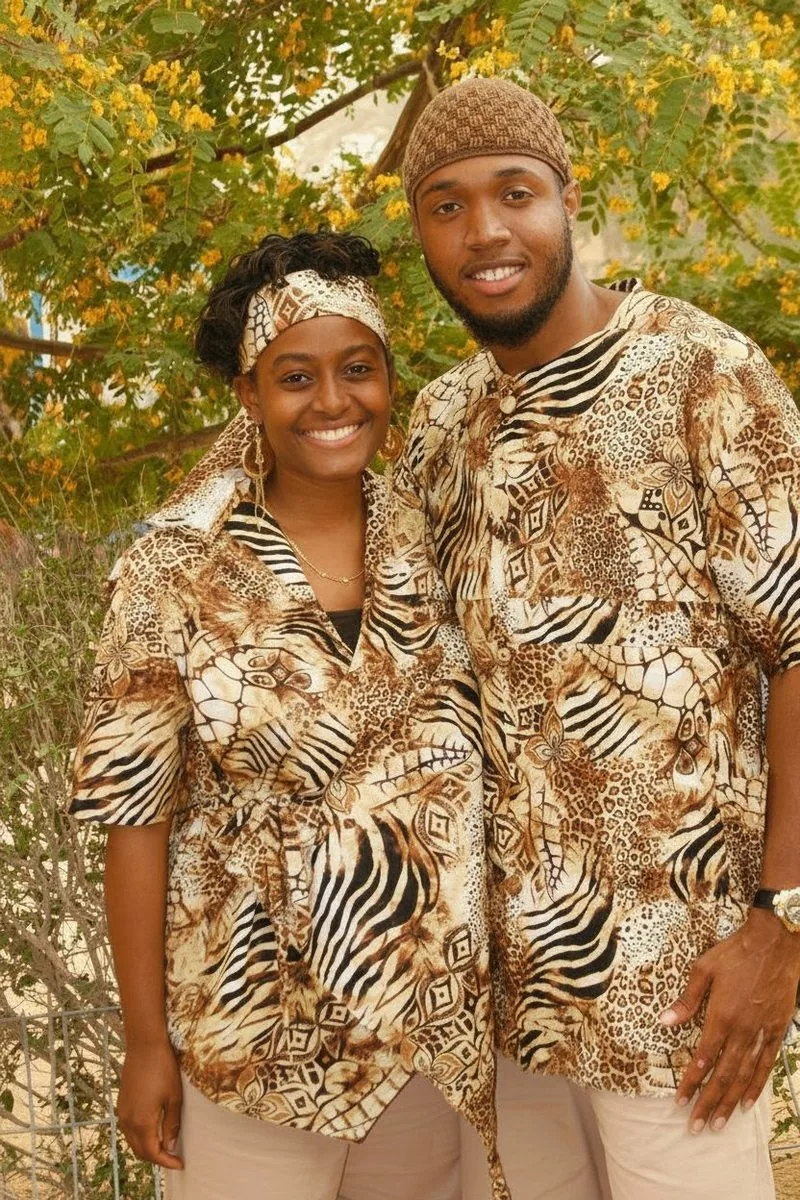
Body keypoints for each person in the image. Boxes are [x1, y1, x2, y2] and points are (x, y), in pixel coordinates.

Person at [395, 75, 800, 1199]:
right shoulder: (437, 422)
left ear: (567, 199)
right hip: (499, 995)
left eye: (511, 193)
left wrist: (783, 923)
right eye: (445, 205)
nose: (483, 231)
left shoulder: (700, 372)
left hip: (677, 987)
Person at [69, 231, 509, 1200]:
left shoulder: (440, 539)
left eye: (357, 369)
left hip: (425, 1037)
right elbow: (131, 820)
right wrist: (148, 1044)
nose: (331, 401)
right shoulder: (171, 569)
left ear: (389, 381)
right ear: (248, 395)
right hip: (246, 1044)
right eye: (294, 377)